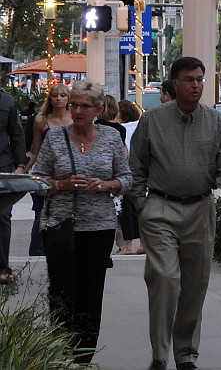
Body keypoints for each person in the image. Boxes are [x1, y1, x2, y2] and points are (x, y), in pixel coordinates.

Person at [129, 57, 221, 370]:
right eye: (189, 80)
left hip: (200, 208)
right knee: (165, 278)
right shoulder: (152, 121)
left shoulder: (216, 121)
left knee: (194, 285)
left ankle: (186, 354)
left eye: (199, 80)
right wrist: (142, 204)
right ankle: (159, 355)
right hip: (160, 208)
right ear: (175, 84)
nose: (195, 86)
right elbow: (136, 167)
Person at [32, 79, 132, 364]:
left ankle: (83, 357)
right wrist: (61, 185)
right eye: (74, 105)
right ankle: (59, 354)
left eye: (84, 106)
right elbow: (38, 180)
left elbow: (127, 179)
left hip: (98, 227)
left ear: (99, 109)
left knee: (90, 294)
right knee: (62, 294)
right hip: (61, 225)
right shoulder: (55, 138)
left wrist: (107, 184)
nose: (77, 111)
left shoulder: (112, 138)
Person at [23, 83, 73, 256]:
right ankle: (37, 248)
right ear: (50, 99)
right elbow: (35, 150)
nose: (59, 98)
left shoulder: (75, 118)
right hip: (45, 171)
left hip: (69, 170)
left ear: (68, 99)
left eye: (63, 95)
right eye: (55, 95)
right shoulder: (41, 121)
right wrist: (24, 168)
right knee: (41, 209)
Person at [0, 87, 27, 283]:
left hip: (3, 167)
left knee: (2, 216)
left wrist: (20, 165)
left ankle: (2, 267)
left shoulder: (7, 101)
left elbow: (16, 134)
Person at [116, 99, 143, 254]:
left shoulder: (121, 129)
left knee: (126, 208)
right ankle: (143, 244)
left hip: (127, 172)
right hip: (141, 172)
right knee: (140, 208)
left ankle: (128, 245)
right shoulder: (141, 126)